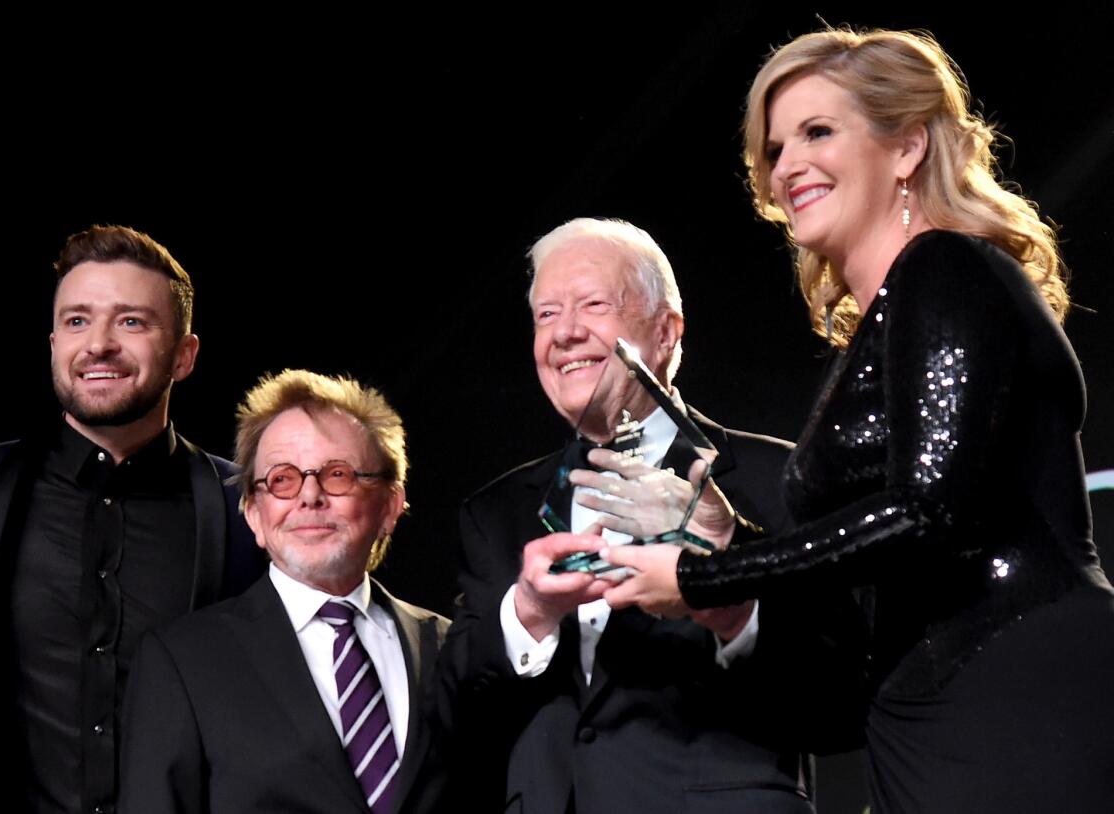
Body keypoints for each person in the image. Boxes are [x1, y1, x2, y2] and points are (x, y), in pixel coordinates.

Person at [597, 28, 1114, 813]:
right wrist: (731, 541)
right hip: (919, 708)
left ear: (906, 147)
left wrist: (702, 575)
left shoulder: (947, 268)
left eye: (817, 132)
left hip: (1012, 677)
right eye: (773, 148)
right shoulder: (886, 322)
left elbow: (929, 509)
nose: (787, 165)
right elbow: (868, 582)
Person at [438, 217, 866, 813]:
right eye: (546, 314)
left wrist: (728, 597)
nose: (564, 333)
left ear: (665, 333)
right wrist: (529, 614)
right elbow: (450, 721)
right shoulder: (495, 513)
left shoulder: (779, 480)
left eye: (592, 304)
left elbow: (843, 704)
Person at [0, 225, 263, 814]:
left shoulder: (251, 505)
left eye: (132, 322)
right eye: (78, 321)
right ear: (53, 343)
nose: (99, 344)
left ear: (184, 356)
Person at [120, 369, 451, 814]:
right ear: (254, 514)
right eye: (282, 479)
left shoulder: (453, 646)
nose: (309, 496)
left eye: (338, 474)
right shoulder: (182, 662)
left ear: (390, 505)